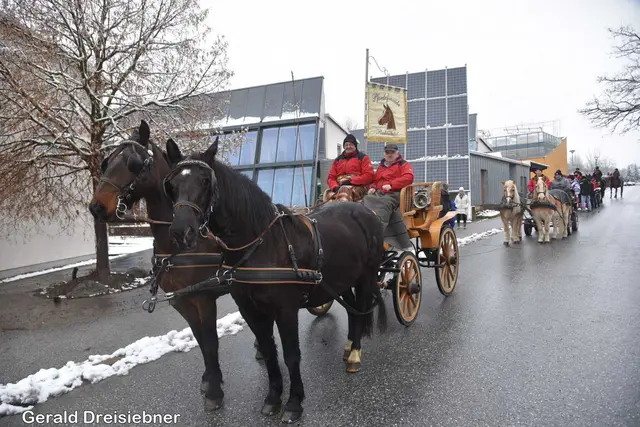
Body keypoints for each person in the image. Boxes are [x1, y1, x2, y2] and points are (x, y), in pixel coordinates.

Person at [362, 144, 414, 232]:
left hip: (395, 193)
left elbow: (409, 177)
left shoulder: (403, 164)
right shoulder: (381, 166)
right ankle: (363, 225)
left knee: (383, 202)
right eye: (387, 152)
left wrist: (391, 185)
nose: (390, 155)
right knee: (366, 199)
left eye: (392, 152)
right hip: (380, 192)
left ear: (397, 154)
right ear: (384, 154)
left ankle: (379, 229)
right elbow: (375, 180)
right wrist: (373, 187)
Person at [325, 134, 374, 201]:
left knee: (344, 195)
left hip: (358, 186)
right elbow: (331, 177)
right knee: (328, 194)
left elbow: (369, 176)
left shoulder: (363, 158)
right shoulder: (337, 160)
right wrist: (334, 187)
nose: (348, 146)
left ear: (355, 146)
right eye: (346, 145)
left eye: (351, 144)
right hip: (339, 185)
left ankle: (343, 210)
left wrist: (351, 181)